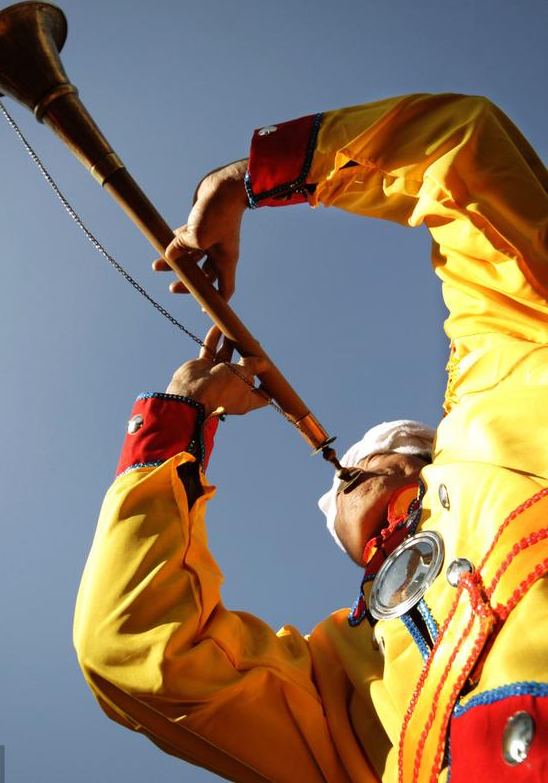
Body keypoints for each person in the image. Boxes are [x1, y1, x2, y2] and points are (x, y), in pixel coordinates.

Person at [74, 93, 548, 782]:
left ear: (422, 457)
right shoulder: (337, 674)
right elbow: (134, 649)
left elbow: (463, 151)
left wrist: (243, 181)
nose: (342, 481)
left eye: (364, 459)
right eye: (338, 487)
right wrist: (182, 416)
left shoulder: (507, 390)